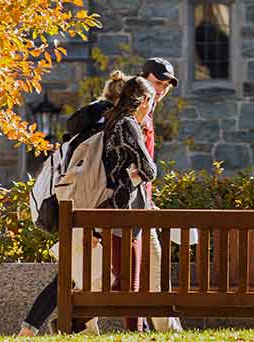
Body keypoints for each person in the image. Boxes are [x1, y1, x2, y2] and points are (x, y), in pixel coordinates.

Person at [18, 71, 131, 336]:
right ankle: (50, 327)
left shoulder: (85, 125)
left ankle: (72, 327)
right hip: (85, 212)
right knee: (79, 276)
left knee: (77, 274)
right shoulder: (104, 132)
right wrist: (89, 225)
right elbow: (93, 179)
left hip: (71, 209)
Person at [100, 76, 160, 332]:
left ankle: (77, 320)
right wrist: (136, 171)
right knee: (130, 278)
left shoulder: (112, 120)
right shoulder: (128, 124)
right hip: (126, 208)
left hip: (112, 206)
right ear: (144, 100)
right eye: (152, 103)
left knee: (122, 277)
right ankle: (135, 332)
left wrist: (132, 171)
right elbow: (149, 170)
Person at [136, 57, 186, 332]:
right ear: (142, 79)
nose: (161, 90)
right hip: (128, 209)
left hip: (138, 205)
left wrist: (149, 200)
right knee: (152, 267)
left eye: (166, 85)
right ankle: (167, 330)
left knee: (149, 270)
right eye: (157, 83)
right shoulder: (134, 115)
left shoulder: (148, 114)